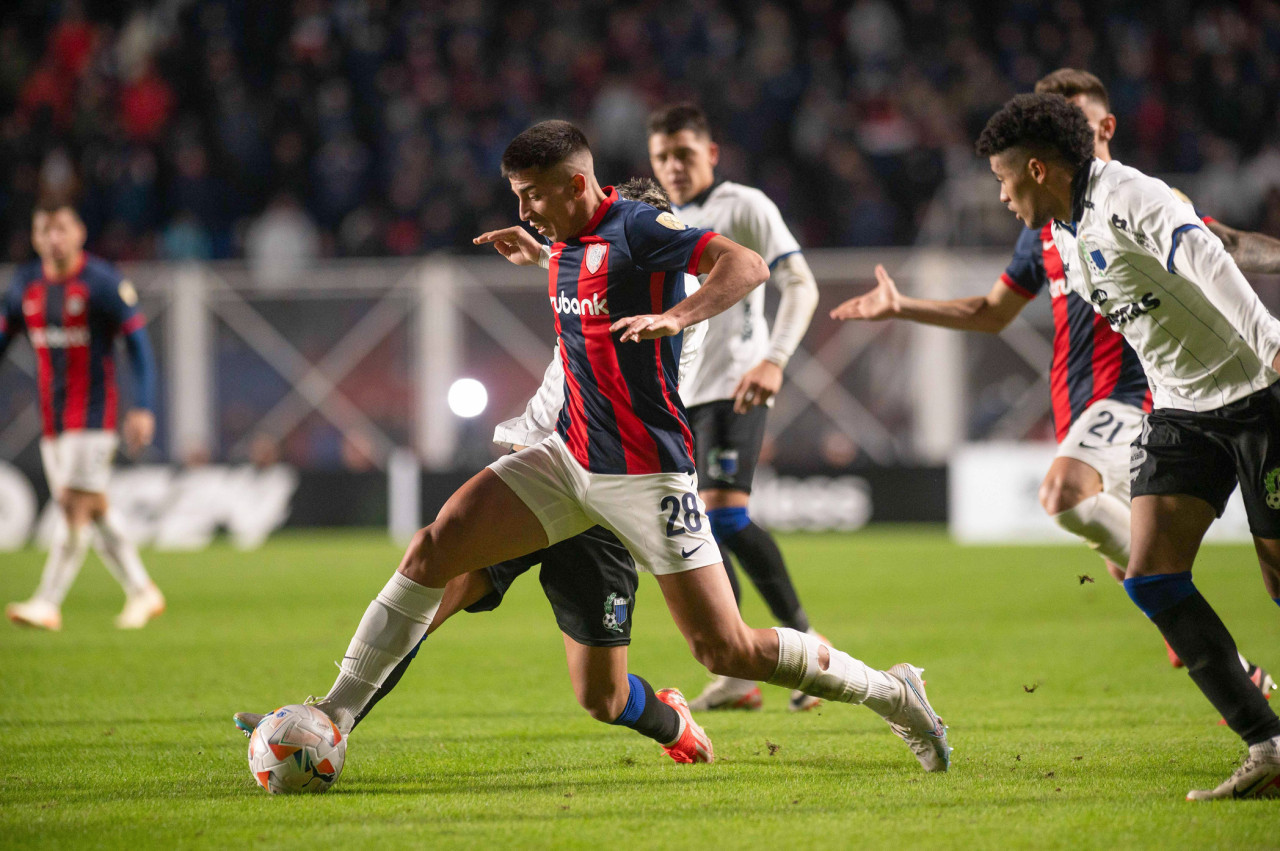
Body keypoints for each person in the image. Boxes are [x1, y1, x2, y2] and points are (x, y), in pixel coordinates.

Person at [238, 121, 951, 773]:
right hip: (567, 457)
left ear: (575, 185)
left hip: (646, 473)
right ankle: (332, 714)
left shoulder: (641, 226)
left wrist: (676, 314)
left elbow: (746, 267)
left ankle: (893, 692)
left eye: (531, 198)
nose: (522, 212)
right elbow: (584, 266)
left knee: (723, 648)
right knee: (435, 549)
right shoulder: (571, 242)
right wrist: (542, 249)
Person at [238, 178, 717, 765]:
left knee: (602, 695)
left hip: (605, 496)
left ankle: (673, 723)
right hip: (539, 466)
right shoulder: (595, 271)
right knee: (434, 581)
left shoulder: (681, 304)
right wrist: (545, 253)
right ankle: (328, 719)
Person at [830, 68, 1275, 688]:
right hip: (1079, 406)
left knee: (1067, 496)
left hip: (1142, 398)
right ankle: (1241, 692)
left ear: (1102, 129)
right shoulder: (1046, 231)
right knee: (1139, 569)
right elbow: (992, 313)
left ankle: (1225, 664)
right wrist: (902, 306)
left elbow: (1219, 247)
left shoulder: (1144, 199)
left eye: (1077, 124)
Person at [976, 91, 1280, 800]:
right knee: (1151, 575)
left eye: (1003, 176)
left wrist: (1272, 347)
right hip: (1181, 411)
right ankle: (1267, 744)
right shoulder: (1061, 232)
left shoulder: (1132, 196)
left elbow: (1206, 257)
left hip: (1257, 395)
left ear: (1041, 169)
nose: (999, 194)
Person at [646, 104, 826, 712]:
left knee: (724, 516)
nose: (673, 166)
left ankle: (807, 643)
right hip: (681, 395)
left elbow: (800, 282)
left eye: (684, 154)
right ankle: (738, 667)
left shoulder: (743, 206)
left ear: (711, 154)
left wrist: (773, 358)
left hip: (736, 384)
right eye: (662, 157)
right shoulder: (659, 220)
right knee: (701, 529)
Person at [1, 197, 164, 631]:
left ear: (79, 234)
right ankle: (143, 590)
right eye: (45, 231)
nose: (54, 239)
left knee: (74, 506)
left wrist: (144, 406)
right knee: (92, 508)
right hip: (52, 420)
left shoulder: (102, 282)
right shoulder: (25, 286)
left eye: (62, 229)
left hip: (95, 415)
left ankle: (47, 602)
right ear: (34, 238)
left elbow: (140, 348)